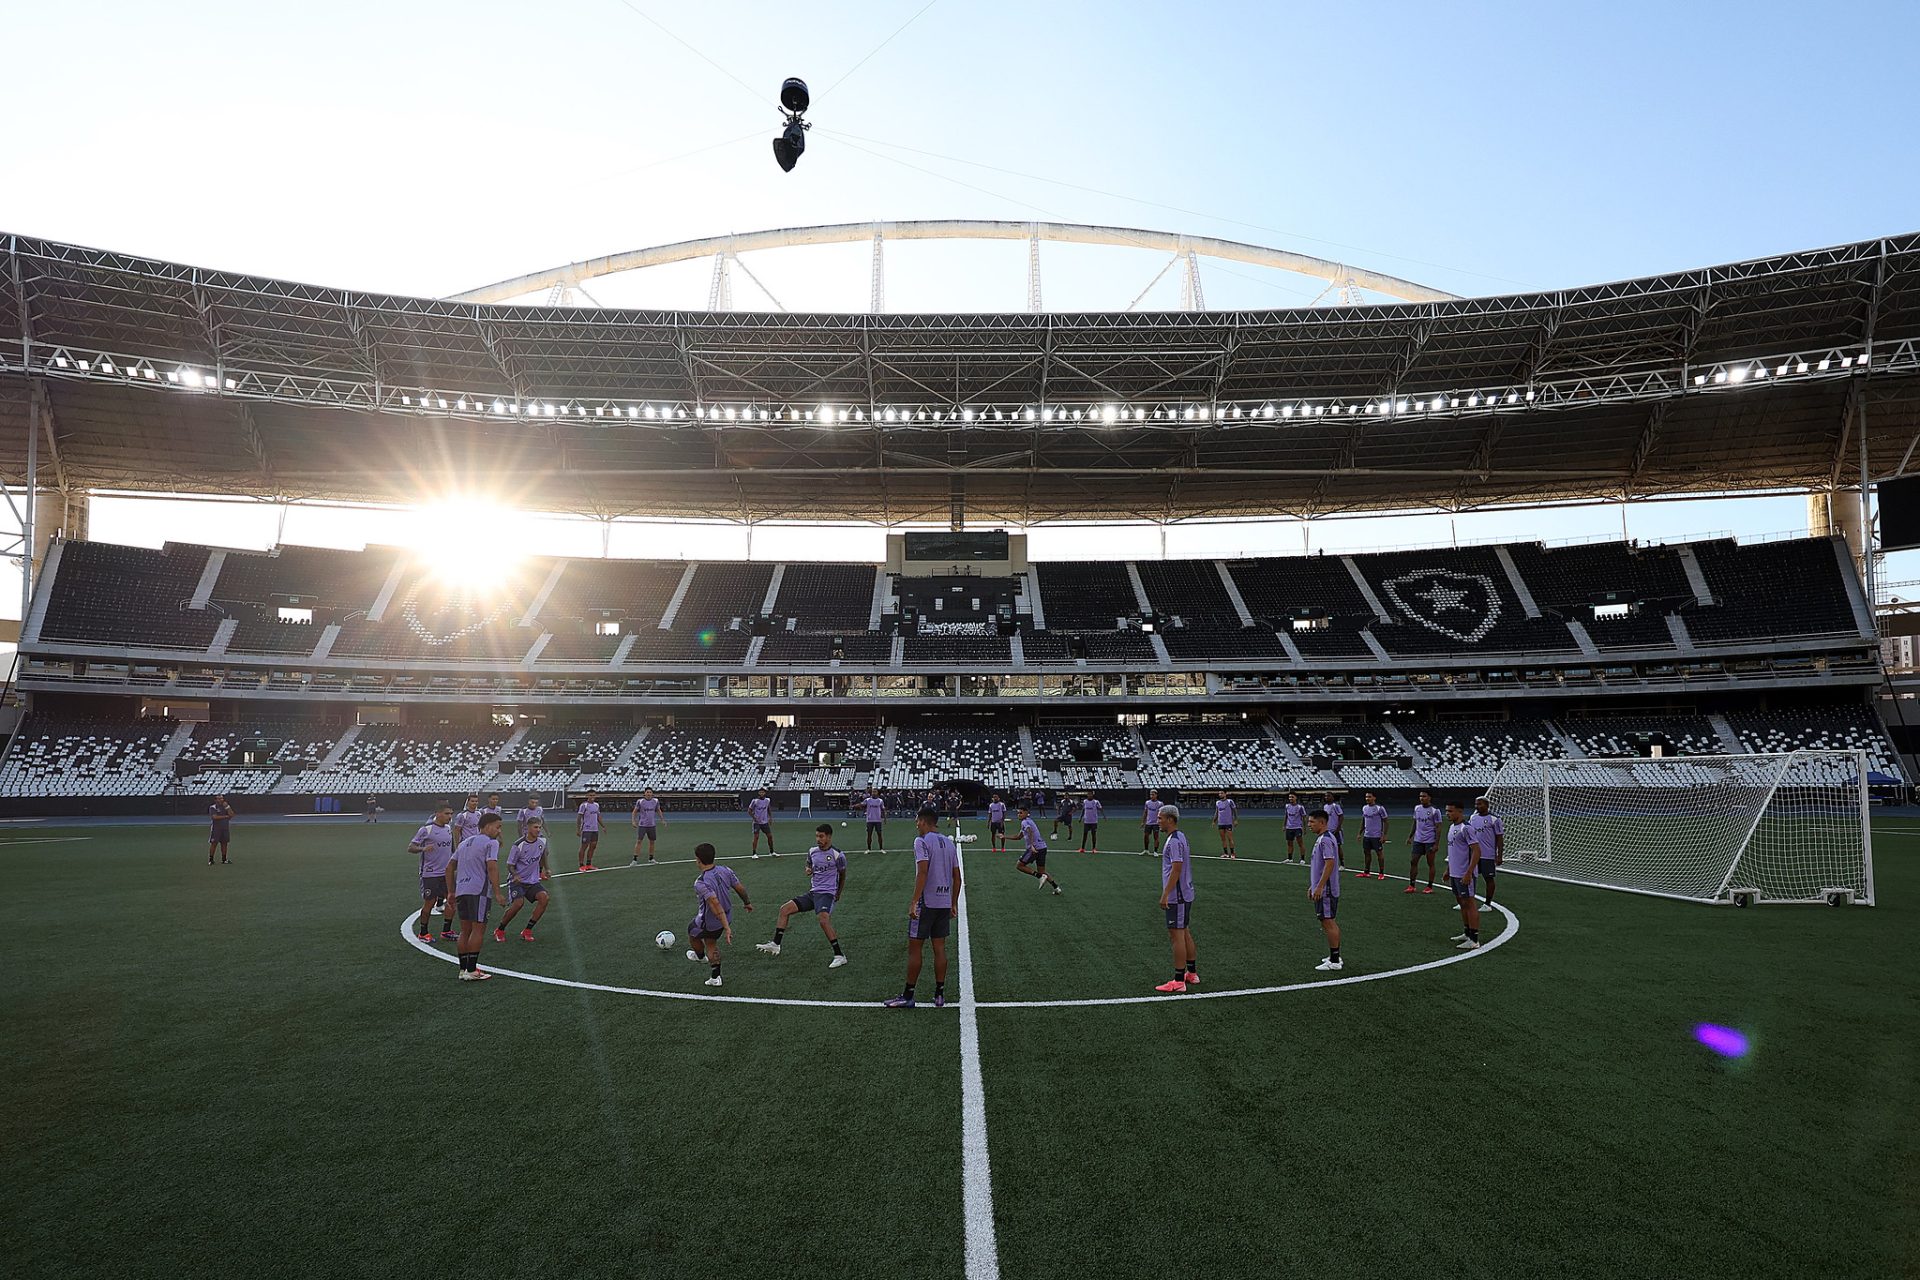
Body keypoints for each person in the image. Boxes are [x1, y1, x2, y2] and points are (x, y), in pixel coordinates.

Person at [883, 809, 961, 1009]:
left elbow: (923, 871)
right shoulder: (950, 843)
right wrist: (953, 902)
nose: (916, 824)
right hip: (944, 903)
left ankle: (908, 996)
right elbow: (957, 877)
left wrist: (914, 901)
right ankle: (939, 994)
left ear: (925, 822)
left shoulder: (921, 841)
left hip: (927, 902)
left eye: (917, 821)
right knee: (939, 949)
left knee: (915, 949)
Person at [756, 823, 848, 968]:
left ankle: (839, 955)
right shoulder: (812, 851)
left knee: (823, 921)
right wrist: (808, 869)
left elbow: (842, 875)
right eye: (817, 836)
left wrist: (838, 893)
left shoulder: (838, 855)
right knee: (784, 909)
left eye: (821, 836)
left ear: (829, 837)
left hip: (827, 893)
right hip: (813, 893)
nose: (818, 839)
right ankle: (776, 944)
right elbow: (809, 863)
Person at [445, 813, 506, 980]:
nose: (499, 831)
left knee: (465, 931)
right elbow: (492, 867)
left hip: (461, 890)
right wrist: (498, 893)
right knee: (478, 929)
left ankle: (463, 969)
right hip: (478, 891)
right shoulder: (491, 843)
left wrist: (451, 891)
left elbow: (449, 867)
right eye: (497, 827)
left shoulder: (464, 843)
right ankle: (471, 970)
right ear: (486, 826)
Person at [687, 842, 753, 987]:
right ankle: (715, 977)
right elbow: (739, 888)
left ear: (698, 860)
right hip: (727, 916)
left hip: (711, 920)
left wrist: (726, 928)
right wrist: (747, 902)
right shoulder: (725, 870)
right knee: (711, 941)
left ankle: (700, 957)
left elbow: (715, 904)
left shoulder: (701, 882)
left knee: (693, 933)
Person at [1155, 804, 1198, 993]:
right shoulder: (1180, 837)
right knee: (1184, 931)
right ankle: (1192, 973)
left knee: (1176, 935)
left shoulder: (1173, 841)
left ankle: (1179, 980)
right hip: (1184, 893)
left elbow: (1177, 868)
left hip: (1177, 895)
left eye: (1160, 818)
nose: (1158, 821)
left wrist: (1165, 893)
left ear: (1169, 819)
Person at [496, 815, 551, 942]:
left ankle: (527, 930)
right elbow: (510, 864)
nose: (538, 830)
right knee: (518, 904)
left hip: (532, 881)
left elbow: (543, 855)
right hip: (517, 881)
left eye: (540, 827)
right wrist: (515, 875)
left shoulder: (542, 841)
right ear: (527, 828)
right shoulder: (519, 845)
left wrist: (546, 869)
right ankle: (500, 929)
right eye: (536, 827)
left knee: (544, 898)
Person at [409, 804, 456, 943]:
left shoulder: (448, 829)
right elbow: (410, 847)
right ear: (438, 813)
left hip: (446, 873)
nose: (450, 817)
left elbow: (451, 849)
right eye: (447, 814)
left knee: (452, 900)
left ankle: (446, 931)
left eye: (451, 814)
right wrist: (423, 848)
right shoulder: (426, 829)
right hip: (430, 874)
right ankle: (423, 933)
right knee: (430, 903)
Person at [1444, 802, 1484, 950]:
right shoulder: (1452, 827)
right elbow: (1454, 851)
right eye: (1446, 810)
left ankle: (1474, 939)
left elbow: (1477, 851)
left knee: (1469, 903)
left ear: (1459, 811)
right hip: (1455, 872)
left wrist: (1468, 872)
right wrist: (1448, 869)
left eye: (1450, 811)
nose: (1447, 813)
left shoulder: (1466, 828)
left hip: (1464, 873)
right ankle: (1467, 932)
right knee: (1462, 903)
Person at [1307, 809, 1343, 971]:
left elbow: (1330, 864)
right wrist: (1313, 885)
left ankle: (1335, 961)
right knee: (1326, 921)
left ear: (1322, 822)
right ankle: (1334, 956)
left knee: (1328, 921)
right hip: (1323, 887)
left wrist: (1320, 886)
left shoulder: (1325, 840)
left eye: (1312, 822)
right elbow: (1320, 866)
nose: (1309, 825)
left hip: (1327, 889)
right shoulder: (1323, 839)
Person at [1014, 805, 1062, 894]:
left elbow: (1029, 831)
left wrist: (1032, 845)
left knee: (1019, 865)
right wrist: (1003, 837)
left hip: (1035, 848)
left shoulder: (1024, 822)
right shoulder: (1029, 821)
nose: (1019, 815)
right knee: (1042, 871)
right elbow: (1018, 837)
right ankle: (1056, 888)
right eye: (1018, 813)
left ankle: (1039, 876)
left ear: (1026, 813)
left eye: (1021, 813)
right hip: (1043, 848)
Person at [1470, 796, 1505, 907]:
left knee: (1488, 878)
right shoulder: (1473, 818)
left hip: (1487, 855)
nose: (1477, 806)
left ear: (1487, 805)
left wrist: (1499, 855)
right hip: (1474, 854)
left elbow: (1499, 838)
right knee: (1469, 877)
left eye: (1480, 804)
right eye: (1476, 804)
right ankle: (1467, 901)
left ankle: (1488, 904)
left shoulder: (1494, 819)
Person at [1405, 790, 1441, 894]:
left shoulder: (1435, 811)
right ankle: (1412, 885)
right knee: (1413, 861)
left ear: (1429, 798)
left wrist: (1436, 844)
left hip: (1429, 840)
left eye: (1424, 796)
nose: (1421, 798)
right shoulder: (1417, 808)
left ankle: (1429, 886)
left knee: (1430, 863)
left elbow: (1438, 827)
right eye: (1420, 796)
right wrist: (1410, 836)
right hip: (1418, 840)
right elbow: (1415, 823)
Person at [1359, 793, 1390, 880]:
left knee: (1379, 854)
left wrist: (1384, 835)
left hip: (1376, 836)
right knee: (1367, 853)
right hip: (1367, 835)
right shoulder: (1364, 808)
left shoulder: (1379, 808)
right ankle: (1366, 872)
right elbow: (1363, 820)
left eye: (1369, 797)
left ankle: (1381, 873)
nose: (1367, 798)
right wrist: (1360, 833)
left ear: (1374, 798)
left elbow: (1386, 821)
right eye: (1366, 797)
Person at [631, 788, 664, 864]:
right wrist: (633, 821)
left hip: (652, 825)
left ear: (652, 794)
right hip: (642, 825)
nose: (649, 794)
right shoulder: (640, 801)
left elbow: (658, 810)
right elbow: (634, 812)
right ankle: (635, 859)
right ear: (644, 793)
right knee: (639, 841)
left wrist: (662, 819)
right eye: (647, 792)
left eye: (650, 792)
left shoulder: (655, 801)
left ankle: (651, 858)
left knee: (652, 841)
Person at [574, 789, 601, 872]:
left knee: (593, 846)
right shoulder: (584, 805)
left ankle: (589, 864)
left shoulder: (596, 805)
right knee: (584, 846)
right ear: (587, 796)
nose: (592, 797)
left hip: (595, 829)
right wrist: (578, 829)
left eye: (593, 795)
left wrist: (603, 826)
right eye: (590, 795)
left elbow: (598, 817)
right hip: (587, 829)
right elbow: (579, 818)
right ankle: (581, 865)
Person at [747, 787, 777, 857]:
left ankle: (772, 851)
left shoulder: (767, 800)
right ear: (758, 793)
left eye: (763, 792)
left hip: (765, 822)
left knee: (770, 836)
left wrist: (770, 818)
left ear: (765, 793)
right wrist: (754, 818)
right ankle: (754, 853)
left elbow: (768, 809)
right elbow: (749, 810)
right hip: (756, 822)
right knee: (756, 837)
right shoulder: (755, 801)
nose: (761, 793)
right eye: (760, 792)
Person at [208, 794, 234, 865]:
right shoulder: (213, 807)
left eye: (222, 798)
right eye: (219, 799)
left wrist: (228, 807)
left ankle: (224, 859)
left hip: (225, 828)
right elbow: (214, 817)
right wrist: (226, 816)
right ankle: (211, 859)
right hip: (216, 828)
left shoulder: (225, 806)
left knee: (224, 843)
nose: (220, 800)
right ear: (215, 800)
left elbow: (231, 815)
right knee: (214, 843)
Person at [1282, 792, 1306, 862]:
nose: (1290, 798)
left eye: (1292, 797)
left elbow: (1304, 817)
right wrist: (1284, 825)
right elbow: (1286, 816)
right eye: (1289, 797)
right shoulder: (1287, 806)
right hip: (1289, 827)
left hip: (1297, 827)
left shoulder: (1300, 807)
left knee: (1300, 843)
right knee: (1289, 843)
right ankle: (1290, 858)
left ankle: (1302, 859)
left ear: (1296, 798)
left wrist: (1304, 828)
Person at [1323, 793, 1345, 866]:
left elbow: (1341, 816)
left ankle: (1342, 864)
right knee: (1327, 847)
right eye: (1325, 796)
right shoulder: (1325, 806)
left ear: (1332, 797)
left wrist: (1338, 828)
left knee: (1338, 847)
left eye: (1328, 796)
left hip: (1335, 830)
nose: (1326, 797)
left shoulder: (1336, 806)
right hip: (1327, 830)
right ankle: (1330, 863)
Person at [1214, 791, 1238, 859]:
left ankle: (1233, 853)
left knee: (1230, 838)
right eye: (1219, 793)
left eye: (1221, 793)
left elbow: (1234, 810)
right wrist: (1214, 820)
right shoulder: (1218, 802)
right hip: (1221, 823)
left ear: (1225, 794)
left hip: (1228, 823)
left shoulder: (1230, 801)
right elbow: (1217, 812)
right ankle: (1226, 853)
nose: (1220, 794)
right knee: (1223, 839)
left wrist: (1235, 820)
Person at [1141, 790, 1163, 855]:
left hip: (1156, 823)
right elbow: (1145, 812)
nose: (1151, 796)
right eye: (1151, 795)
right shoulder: (1147, 803)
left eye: (1153, 795)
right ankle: (1146, 849)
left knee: (1156, 836)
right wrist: (1143, 822)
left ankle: (1155, 851)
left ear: (1156, 795)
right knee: (1146, 836)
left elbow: (1162, 814)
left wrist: (1161, 822)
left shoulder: (1160, 804)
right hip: (1148, 822)